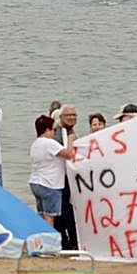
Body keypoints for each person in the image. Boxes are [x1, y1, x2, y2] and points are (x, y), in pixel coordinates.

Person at [30, 115, 76, 226]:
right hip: (49, 184)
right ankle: (49, 237)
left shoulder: (35, 144)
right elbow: (69, 154)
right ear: (47, 130)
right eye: (53, 130)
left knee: (42, 215)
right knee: (49, 217)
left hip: (36, 183)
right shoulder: (49, 143)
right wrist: (70, 138)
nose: (54, 133)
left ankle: (42, 235)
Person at [53, 105, 81, 250]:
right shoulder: (58, 133)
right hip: (60, 178)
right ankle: (70, 242)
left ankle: (69, 241)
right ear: (61, 117)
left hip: (68, 178)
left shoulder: (69, 131)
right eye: (68, 115)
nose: (72, 117)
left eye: (74, 115)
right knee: (66, 212)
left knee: (67, 211)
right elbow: (65, 154)